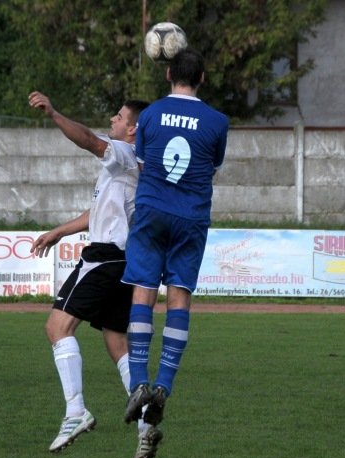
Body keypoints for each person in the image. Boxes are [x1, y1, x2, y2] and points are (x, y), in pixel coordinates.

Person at [28, 91, 162, 458]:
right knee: (116, 341)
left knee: (57, 328)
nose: (112, 122)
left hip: (103, 257)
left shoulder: (122, 153)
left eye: (119, 118)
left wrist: (54, 112)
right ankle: (144, 423)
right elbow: (99, 210)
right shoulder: (136, 165)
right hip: (125, 260)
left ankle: (76, 412)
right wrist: (61, 231)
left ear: (133, 129)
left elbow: (88, 140)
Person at [122, 48, 229, 437]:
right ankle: (164, 384)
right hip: (191, 215)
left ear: (168, 74)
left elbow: (144, 163)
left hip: (152, 211)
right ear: (202, 78)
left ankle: (138, 382)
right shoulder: (218, 121)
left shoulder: (148, 115)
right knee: (179, 294)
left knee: (143, 292)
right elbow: (212, 169)